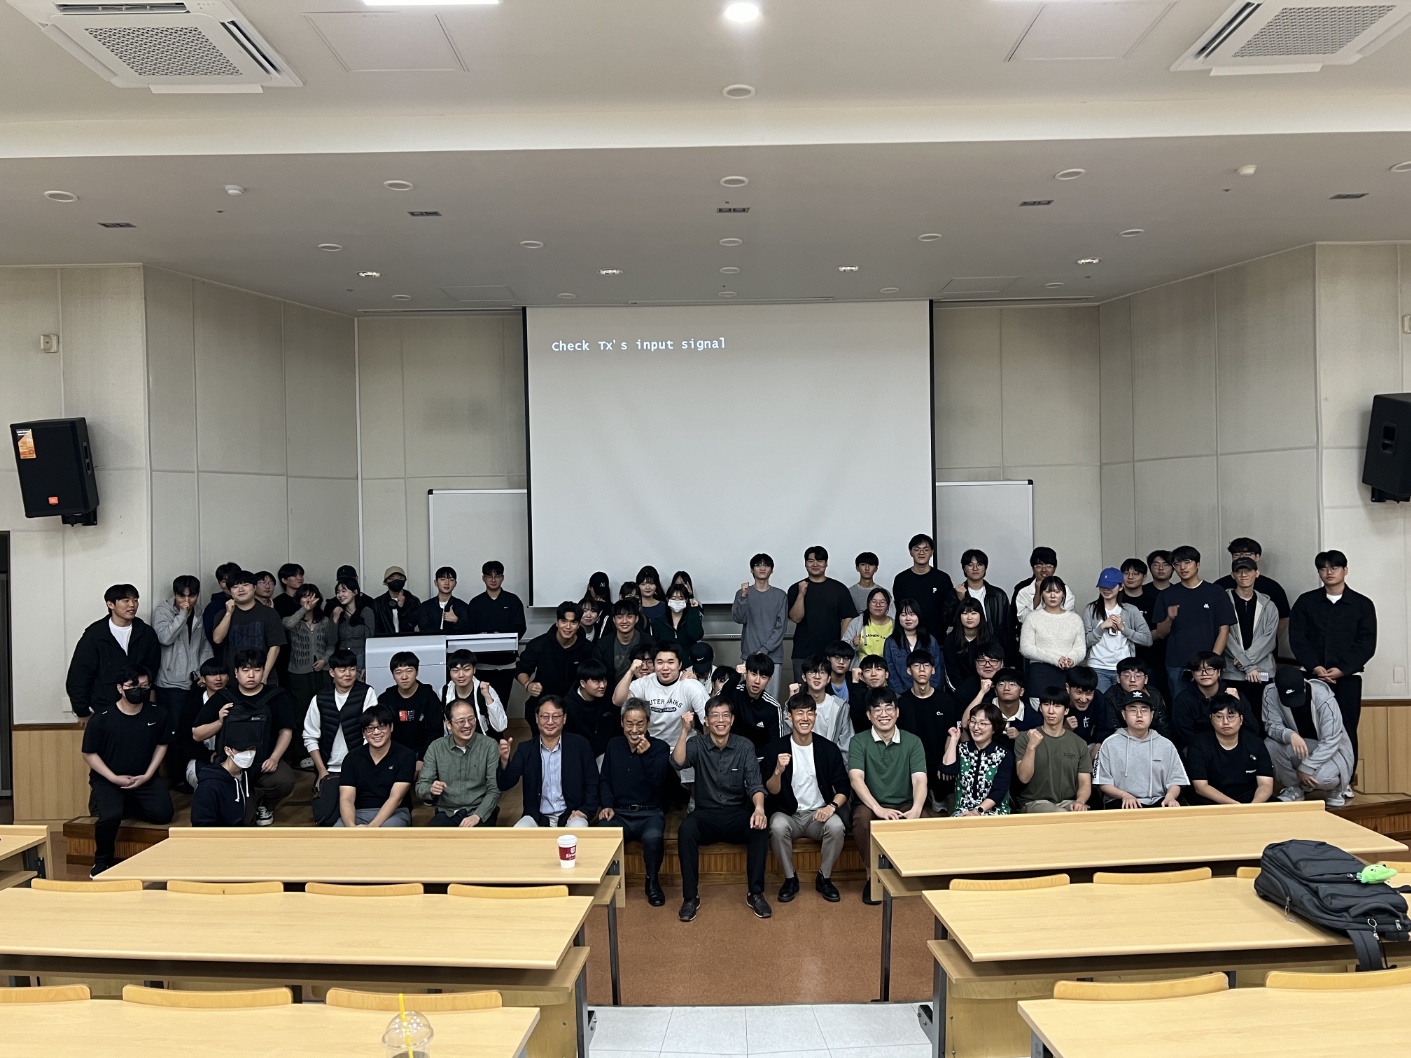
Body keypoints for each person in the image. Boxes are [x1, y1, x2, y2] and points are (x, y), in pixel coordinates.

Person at [672, 698, 770, 921]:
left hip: (736, 813)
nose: (720, 720)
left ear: (732, 720)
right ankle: (690, 897)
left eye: (725, 715)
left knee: (759, 827)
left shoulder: (744, 746)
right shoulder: (697, 744)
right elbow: (677, 763)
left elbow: (755, 784)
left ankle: (756, 894)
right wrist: (684, 731)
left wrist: (759, 809)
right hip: (705, 814)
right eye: (714, 715)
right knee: (686, 829)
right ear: (706, 720)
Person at [1289, 549, 1377, 773]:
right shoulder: (1306, 602)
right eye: (1323, 568)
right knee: (1310, 728)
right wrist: (1315, 666)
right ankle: (1309, 777)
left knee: (1346, 729)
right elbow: (1298, 639)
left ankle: (1345, 779)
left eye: (1334, 567)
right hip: (1311, 677)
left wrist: (1342, 669)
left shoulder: (1362, 604)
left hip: (1347, 679)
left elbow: (1366, 643)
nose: (1328, 572)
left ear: (1345, 570)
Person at [81, 667, 174, 875]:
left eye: (145, 686)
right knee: (110, 817)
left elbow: (162, 744)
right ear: (120, 688)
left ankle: (128, 802)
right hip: (108, 779)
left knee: (163, 814)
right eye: (133, 686)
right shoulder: (102, 718)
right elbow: (89, 753)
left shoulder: (158, 713)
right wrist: (113, 778)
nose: (139, 691)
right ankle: (102, 860)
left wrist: (148, 775)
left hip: (144, 778)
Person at [192, 648, 298, 826]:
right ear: (236, 673)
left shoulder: (277, 696)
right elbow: (197, 734)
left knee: (284, 781)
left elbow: (286, 731)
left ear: (263, 671)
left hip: (264, 762)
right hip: (232, 765)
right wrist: (220, 721)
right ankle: (247, 801)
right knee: (244, 821)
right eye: (246, 670)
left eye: (257, 670)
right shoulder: (223, 697)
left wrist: (274, 758)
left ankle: (265, 805)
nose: (251, 675)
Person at [764, 694, 849, 903]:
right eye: (799, 713)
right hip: (789, 814)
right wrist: (777, 771)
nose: (805, 718)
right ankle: (790, 878)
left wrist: (831, 807)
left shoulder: (828, 748)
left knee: (837, 826)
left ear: (815, 717)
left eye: (810, 713)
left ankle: (824, 877)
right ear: (789, 717)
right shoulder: (776, 748)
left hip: (817, 816)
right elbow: (771, 790)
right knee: (777, 826)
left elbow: (843, 787)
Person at [848, 689, 928, 904]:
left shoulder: (913, 742)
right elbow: (856, 779)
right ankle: (872, 876)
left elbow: (920, 780)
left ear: (897, 712)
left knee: (924, 819)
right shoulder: (858, 741)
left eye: (888, 708)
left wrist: (916, 809)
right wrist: (878, 808)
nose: (883, 714)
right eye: (877, 709)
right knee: (862, 819)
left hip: (904, 803)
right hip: (871, 804)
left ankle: (909, 876)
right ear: (869, 715)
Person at [595, 700, 670, 902]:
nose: (634, 730)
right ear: (622, 723)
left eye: (640, 724)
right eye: (629, 723)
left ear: (648, 723)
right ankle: (607, 884)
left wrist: (646, 755)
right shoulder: (614, 745)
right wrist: (607, 805)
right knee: (601, 831)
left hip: (649, 812)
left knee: (654, 838)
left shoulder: (660, 748)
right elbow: (605, 779)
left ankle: (652, 882)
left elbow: (658, 781)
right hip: (619, 812)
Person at [301, 649, 378, 826]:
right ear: (331, 672)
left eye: (352, 669)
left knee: (361, 814)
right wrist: (321, 771)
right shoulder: (320, 698)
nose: (348, 674)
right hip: (329, 769)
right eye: (342, 670)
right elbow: (310, 736)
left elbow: (372, 733)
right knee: (325, 819)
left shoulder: (367, 693)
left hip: (360, 766)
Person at [614, 641, 709, 784]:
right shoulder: (644, 683)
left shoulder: (690, 685)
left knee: (690, 780)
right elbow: (618, 701)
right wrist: (630, 672)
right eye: (660, 662)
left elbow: (708, 721)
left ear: (680, 664)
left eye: (670, 662)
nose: (665, 668)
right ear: (654, 664)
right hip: (652, 746)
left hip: (684, 745)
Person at [66, 583, 162, 720]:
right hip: (104, 706)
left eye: (135, 600)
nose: (132, 605)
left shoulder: (146, 633)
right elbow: (79, 674)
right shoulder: (95, 635)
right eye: (126, 600)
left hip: (139, 706)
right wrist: (81, 710)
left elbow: (152, 669)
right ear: (110, 604)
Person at [498, 696, 598, 827]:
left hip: (571, 814)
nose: (550, 722)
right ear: (536, 718)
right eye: (545, 717)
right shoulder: (526, 749)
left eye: (556, 716)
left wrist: (585, 810)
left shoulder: (580, 745)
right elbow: (505, 784)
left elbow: (593, 783)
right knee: (519, 830)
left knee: (579, 828)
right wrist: (504, 761)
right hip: (536, 817)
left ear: (564, 718)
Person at [152, 574, 213, 785]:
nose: (187, 600)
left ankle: (190, 775)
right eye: (182, 596)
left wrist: (204, 672)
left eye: (192, 596)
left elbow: (204, 645)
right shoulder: (163, 611)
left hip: (194, 680)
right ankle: (176, 777)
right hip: (170, 682)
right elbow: (165, 638)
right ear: (175, 594)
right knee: (173, 731)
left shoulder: (199, 612)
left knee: (190, 729)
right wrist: (182, 615)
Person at [1263, 668, 1355, 807]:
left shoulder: (1324, 697)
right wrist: (1290, 735)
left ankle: (1337, 789)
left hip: (1332, 751)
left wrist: (1306, 767)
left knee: (1320, 778)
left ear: (1304, 686)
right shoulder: (1270, 692)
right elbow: (1271, 725)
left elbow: (1331, 740)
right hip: (1300, 746)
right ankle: (1294, 788)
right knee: (1270, 744)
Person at [1151, 546, 1235, 697]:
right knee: (1180, 705)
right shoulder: (1166, 595)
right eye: (1177, 564)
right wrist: (1169, 619)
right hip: (1177, 663)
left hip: (1209, 664)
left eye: (1187, 562)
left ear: (1198, 564)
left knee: (1212, 705)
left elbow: (1224, 630)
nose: (1182, 567)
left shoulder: (1216, 592)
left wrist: (1211, 661)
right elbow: (1161, 634)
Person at [1094, 691, 1187, 808]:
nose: (1139, 715)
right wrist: (1124, 795)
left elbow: (1176, 780)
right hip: (1121, 801)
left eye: (1144, 710)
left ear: (1152, 715)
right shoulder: (1109, 744)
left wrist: (1171, 796)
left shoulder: (1166, 744)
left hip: (1158, 801)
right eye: (1133, 710)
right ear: (1123, 714)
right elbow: (1102, 782)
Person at [418, 698, 501, 827]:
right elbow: (421, 787)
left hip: (479, 810)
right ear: (448, 724)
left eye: (471, 719)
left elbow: (495, 789)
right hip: (447, 812)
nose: (467, 725)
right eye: (461, 721)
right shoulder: (436, 747)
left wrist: (477, 816)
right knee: (433, 835)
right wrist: (431, 789)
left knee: (477, 836)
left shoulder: (489, 745)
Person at [516, 601, 592, 735]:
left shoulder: (588, 648)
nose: (568, 627)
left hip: (574, 705)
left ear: (579, 625)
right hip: (544, 702)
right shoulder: (538, 644)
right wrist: (528, 685)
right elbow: (521, 669)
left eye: (573, 622)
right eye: (564, 621)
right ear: (557, 622)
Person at [335, 705, 415, 827]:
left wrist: (371, 828)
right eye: (370, 728)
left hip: (394, 813)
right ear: (363, 732)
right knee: (338, 831)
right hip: (358, 813)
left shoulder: (405, 756)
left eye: (382, 726)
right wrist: (351, 827)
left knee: (387, 831)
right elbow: (346, 798)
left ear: (391, 727)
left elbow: (396, 797)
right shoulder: (352, 758)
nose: (376, 732)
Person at [1014, 688, 1092, 812]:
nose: (1051, 711)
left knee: (1086, 815)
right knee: (1060, 814)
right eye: (1046, 705)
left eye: (1057, 706)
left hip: (1067, 801)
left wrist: (1080, 801)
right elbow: (1024, 777)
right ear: (1040, 708)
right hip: (1034, 802)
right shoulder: (1026, 737)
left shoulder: (1079, 743)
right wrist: (1031, 747)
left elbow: (1084, 782)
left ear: (1066, 710)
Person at [787, 546, 857, 683]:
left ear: (826, 563)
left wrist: (840, 645)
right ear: (805, 564)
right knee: (802, 692)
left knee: (831, 692)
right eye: (810, 561)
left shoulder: (839, 588)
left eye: (819, 560)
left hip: (831, 654)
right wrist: (801, 594)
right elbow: (796, 618)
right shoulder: (796, 588)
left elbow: (848, 616)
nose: (815, 564)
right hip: (803, 652)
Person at [1223, 557, 1280, 721]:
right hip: (1231, 672)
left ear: (1257, 573)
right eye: (1239, 571)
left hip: (1261, 671)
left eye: (1247, 571)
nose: (1243, 575)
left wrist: (1246, 663)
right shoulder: (1223, 602)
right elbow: (1224, 636)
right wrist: (1247, 666)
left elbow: (1269, 639)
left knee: (1262, 718)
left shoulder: (1269, 605)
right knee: (1232, 717)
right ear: (1232, 575)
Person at [1171, 653, 1261, 758]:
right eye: (1199, 670)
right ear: (1193, 674)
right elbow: (1184, 734)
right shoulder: (1184, 699)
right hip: (1201, 747)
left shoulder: (1232, 693)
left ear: (1218, 672)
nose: (1204, 674)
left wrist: (1238, 703)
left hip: (1232, 744)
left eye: (1210, 669)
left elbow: (1253, 729)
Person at [1187, 699, 1274, 805]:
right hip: (1212, 800)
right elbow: (1201, 787)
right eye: (1219, 717)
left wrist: (1252, 807)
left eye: (1231, 716)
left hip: (1249, 800)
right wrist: (1235, 806)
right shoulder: (1198, 744)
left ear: (1241, 719)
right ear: (1211, 719)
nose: (1225, 722)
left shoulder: (1255, 743)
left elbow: (1266, 784)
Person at [464, 560, 527, 705]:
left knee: (502, 704)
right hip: (482, 664)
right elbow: (469, 630)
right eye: (489, 576)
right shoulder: (476, 603)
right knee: (482, 704)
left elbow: (520, 628)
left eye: (497, 576)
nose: (493, 579)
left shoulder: (513, 601)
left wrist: (500, 635)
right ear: (483, 578)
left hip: (506, 664)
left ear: (502, 578)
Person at [898, 648, 955, 807]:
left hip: (939, 763)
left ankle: (937, 795)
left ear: (933, 670)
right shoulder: (902, 702)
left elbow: (951, 734)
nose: (922, 670)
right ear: (909, 671)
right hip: (912, 764)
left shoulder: (946, 701)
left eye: (926, 666)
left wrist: (946, 762)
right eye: (916, 666)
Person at [1082, 568, 1153, 694]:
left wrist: (1124, 629)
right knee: (1102, 702)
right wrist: (1101, 627)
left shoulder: (1130, 610)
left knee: (1125, 702)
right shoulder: (1091, 609)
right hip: (1097, 666)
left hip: (1124, 668)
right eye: (1103, 586)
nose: (1106, 589)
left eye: (1110, 586)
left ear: (1121, 587)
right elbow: (1084, 642)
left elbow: (1147, 640)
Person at [211, 570, 286, 685]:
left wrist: (264, 676)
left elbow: (275, 647)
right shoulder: (222, 614)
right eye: (235, 587)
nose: (240, 590)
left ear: (254, 587)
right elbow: (217, 639)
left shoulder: (269, 613)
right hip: (233, 678)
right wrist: (228, 613)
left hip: (264, 677)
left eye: (245, 585)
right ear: (230, 591)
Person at [942, 701, 1014, 816]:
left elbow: (999, 790)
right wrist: (954, 740)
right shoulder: (962, 749)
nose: (976, 727)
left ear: (994, 727)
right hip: (963, 810)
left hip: (995, 811)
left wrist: (978, 811)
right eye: (973, 721)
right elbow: (947, 770)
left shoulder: (1003, 754)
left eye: (982, 723)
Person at [732, 554, 789, 700]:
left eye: (766, 565)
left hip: (773, 657)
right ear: (752, 570)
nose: (762, 568)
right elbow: (739, 618)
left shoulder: (780, 595)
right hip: (749, 655)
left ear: (772, 570)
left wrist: (764, 650)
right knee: (747, 698)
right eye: (758, 565)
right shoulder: (743, 593)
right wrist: (744, 597)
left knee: (771, 699)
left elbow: (781, 628)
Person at [1020, 576, 1086, 700]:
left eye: (1057, 591)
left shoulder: (1075, 619)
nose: (1053, 595)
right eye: (1048, 591)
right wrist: (1056, 659)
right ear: (1042, 594)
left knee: (1065, 708)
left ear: (1063, 594)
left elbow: (1080, 648)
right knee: (1040, 708)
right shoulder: (1032, 617)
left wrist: (1072, 659)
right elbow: (1026, 648)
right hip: (1040, 672)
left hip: (1068, 673)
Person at [379, 650, 446, 769]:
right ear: (393, 675)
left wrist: (422, 758)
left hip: (425, 754)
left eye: (409, 671)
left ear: (417, 672)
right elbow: (381, 732)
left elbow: (435, 733)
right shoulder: (385, 699)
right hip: (394, 754)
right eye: (398, 672)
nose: (404, 677)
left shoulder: (429, 697)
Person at [190, 719, 261, 827]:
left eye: (252, 749)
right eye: (241, 750)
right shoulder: (209, 786)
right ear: (228, 750)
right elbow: (201, 825)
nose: (248, 754)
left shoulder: (247, 773)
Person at [1010, 548, 1075, 662]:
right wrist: (1038, 593)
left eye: (1049, 566)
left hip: (1058, 646)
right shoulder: (1022, 589)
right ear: (1033, 568)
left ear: (1054, 568)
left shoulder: (1065, 590)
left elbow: (1065, 618)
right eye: (1039, 566)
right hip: (1030, 646)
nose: (1044, 570)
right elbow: (1023, 619)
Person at [1214, 538, 1292, 631]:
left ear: (1257, 557)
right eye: (1236, 555)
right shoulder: (1220, 586)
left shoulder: (1272, 587)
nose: (1241, 558)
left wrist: (1269, 636)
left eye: (1247, 554)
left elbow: (1284, 618)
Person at [890, 533, 955, 640]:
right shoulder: (901, 579)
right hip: (909, 638)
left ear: (932, 552)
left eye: (926, 549)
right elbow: (899, 608)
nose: (921, 553)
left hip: (937, 639)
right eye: (917, 549)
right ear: (910, 552)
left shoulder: (942, 578)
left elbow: (948, 609)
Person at [282, 583, 334, 713]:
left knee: (324, 707)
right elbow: (288, 625)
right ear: (298, 599)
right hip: (299, 672)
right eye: (305, 597)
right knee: (301, 708)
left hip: (322, 671)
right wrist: (304, 609)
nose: (309, 600)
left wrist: (324, 659)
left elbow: (331, 645)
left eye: (312, 596)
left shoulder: (324, 621)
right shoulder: (290, 619)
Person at [789, 656, 854, 753]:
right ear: (804, 677)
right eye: (812, 672)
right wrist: (792, 702)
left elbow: (846, 742)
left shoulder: (840, 706)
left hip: (831, 759)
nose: (817, 676)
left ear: (829, 678)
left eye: (822, 672)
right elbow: (787, 735)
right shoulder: (796, 705)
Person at [442, 648, 509, 741]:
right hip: (458, 743)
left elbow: (500, 726)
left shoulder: (485, 689)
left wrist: (487, 697)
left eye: (466, 669)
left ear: (474, 670)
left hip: (483, 742)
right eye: (455, 670)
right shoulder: (445, 691)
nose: (461, 675)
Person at [725, 652, 783, 756]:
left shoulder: (773, 707)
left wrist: (751, 758)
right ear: (746, 673)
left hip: (757, 760)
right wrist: (735, 676)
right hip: (729, 756)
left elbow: (775, 745)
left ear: (769, 680)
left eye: (763, 677)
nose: (757, 681)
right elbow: (717, 703)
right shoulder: (734, 693)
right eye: (753, 674)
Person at [563, 658, 621, 761]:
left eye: (604, 680)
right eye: (596, 681)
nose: (602, 685)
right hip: (578, 755)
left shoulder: (609, 698)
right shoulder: (568, 705)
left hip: (605, 753)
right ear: (583, 683)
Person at [883, 599, 943, 694]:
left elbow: (937, 669)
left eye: (912, 614)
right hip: (900, 695)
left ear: (919, 616)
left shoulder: (930, 641)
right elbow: (890, 672)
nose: (908, 618)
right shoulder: (891, 642)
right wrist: (903, 694)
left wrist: (928, 692)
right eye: (903, 615)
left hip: (928, 694)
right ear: (898, 618)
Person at [955, 549, 1011, 650]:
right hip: (965, 648)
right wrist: (960, 600)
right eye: (970, 565)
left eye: (979, 564)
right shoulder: (955, 593)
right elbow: (948, 621)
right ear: (964, 568)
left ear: (985, 568)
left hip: (995, 648)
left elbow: (1009, 626)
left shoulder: (999, 595)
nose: (975, 568)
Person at [595, 598, 653, 684]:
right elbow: (598, 672)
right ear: (614, 620)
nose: (624, 621)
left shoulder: (649, 642)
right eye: (619, 617)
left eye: (629, 617)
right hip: (610, 690)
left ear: (636, 619)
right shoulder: (603, 644)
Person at [941, 596, 993, 692]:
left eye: (974, 613)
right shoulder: (951, 640)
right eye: (965, 613)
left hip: (986, 688)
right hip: (957, 691)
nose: (969, 617)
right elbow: (951, 672)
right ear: (959, 616)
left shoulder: (990, 639)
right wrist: (962, 692)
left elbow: (994, 667)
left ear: (981, 615)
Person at [1064, 665, 1112, 760]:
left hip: (1088, 746)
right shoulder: (1057, 701)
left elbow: (1104, 727)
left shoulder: (1098, 697)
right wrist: (1065, 729)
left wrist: (1098, 746)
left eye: (1089, 693)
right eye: (1079, 693)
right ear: (1068, 688)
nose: (1083, 699)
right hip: (1063, 748)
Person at [329, 576, 373, 677]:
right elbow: (331, 641)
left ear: (355, 592)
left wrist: (366, 665)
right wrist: (335, 619)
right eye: (338, 592)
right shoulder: (337, 612)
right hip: (342, 661)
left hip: (360, 659)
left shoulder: (366, 612)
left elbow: (370, 640)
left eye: (344, 591)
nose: (340, 595)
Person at [411, 566, 471, 633]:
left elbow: (470, 629)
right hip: (432, 639)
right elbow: (424, 629)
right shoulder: (425, 606)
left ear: (455, 584)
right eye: (442, 579)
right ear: (436, 582)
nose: (447, 583)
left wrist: (456, 620)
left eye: (451, 580)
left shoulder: (463, 607)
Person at [844, 587, 895, 664]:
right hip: (861, 667)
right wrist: (853, 643)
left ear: (888, 606)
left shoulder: (895, 625)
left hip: (886, 668)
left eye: (882, 602)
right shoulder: (857, 622)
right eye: (874, 601)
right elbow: (843, 647)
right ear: (868, 604)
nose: (878, 605)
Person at [650, 582, 704, 653]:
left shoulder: (690, 618)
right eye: (673, 598)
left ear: (686, 600)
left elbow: (697, 635)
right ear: (668, 599)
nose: (677, 601)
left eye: (681, 598)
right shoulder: (658, 621)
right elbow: (655, 646)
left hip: (687, 658)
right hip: (666, 659)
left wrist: (693, 610)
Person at [987, 667, 1041, 737]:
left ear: (1021, 691)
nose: (1006, 688)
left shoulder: (1033, 718)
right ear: (995, 691)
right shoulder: (983, 710)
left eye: (1012, 684)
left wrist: (1020, 737)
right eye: (1001, 684)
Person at [371, 565, 421, 637]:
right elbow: (376, 628)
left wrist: (402, 608)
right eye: (392, 579)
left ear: (405, 580)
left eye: (400, 578)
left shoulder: (413, 601)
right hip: (385, 641)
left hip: (408, 640)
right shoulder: (378, 603)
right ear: (385, 582)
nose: (396, 580)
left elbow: (411, 625)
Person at [201, 561, 240, 648]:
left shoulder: (253, 602)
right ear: (219, 584)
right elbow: (211, 637)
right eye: (224, 581)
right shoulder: (213, 607)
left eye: (232, 579)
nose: (229, 584)